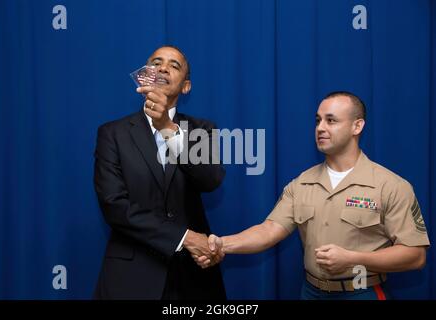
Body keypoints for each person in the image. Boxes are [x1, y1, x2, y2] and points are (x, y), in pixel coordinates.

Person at [196, 91, 430, 300]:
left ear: (357, 127)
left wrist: (352, 258)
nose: (320, 128)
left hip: (362, 292)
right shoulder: (302, 184)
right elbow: (268, 231)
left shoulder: (390, 185)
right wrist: (223, 244)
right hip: (311, 292)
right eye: (318, 120)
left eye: (331, 121)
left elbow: (415, 255)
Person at [93, 45, 226, 299]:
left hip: (192, 278)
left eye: (174, 65)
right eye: (156, 63)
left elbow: (210, 180)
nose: (163, 67)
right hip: (131, 277)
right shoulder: (112, 134)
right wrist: (184, 237)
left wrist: (167, 127)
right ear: (144, 74)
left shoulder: (203, 129)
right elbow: (114, 206)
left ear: (186, 86)